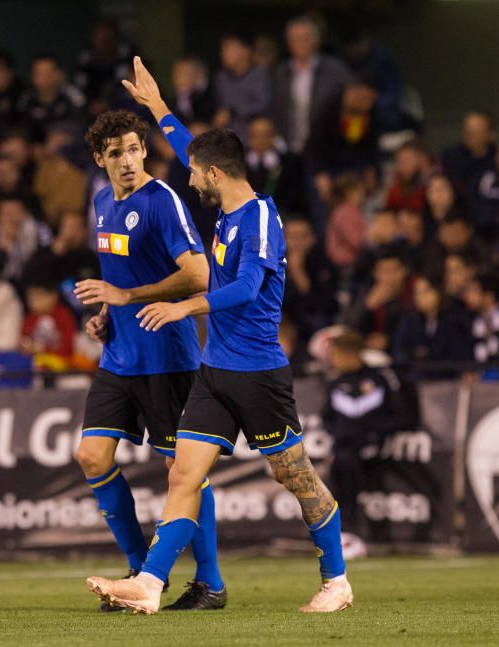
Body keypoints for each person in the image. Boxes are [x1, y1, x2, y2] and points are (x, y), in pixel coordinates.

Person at [87, 57, 352, 614]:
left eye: (193, 172)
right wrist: (156, 105)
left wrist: (186, 306)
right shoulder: (226, 205)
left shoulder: (256, 219)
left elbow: (250, 288)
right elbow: (188, 144)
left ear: (214, 176)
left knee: (295, 476)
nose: (186, 176)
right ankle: (150, 584)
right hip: (214, 371)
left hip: (257, 373)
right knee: (183, 473)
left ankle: (336, 579)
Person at [71, 108, 225, 612]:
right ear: (101, 159)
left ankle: (209, 582)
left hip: (168, 356)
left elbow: (200, 274)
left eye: (136, 149)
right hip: (119, 356)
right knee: (91, 456)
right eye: (116, 153)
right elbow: (115, 280)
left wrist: (126, 294)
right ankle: (140, 573)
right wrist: (104, 315)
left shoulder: (163, 202)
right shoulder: (99, 203)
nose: (129, 161)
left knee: (182, 472)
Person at [323, 329, 419, 541]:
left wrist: (376, 432)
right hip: (343, 446)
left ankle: (354, 526)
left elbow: (403, 415)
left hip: (373, 443)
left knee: (349, 464)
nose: (335, 360)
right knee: (338, 467)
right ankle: (343, 528)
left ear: (352, 353)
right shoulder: (335, 383)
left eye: (338, 354)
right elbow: (327, 417)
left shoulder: (380, 378)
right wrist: (337, 433)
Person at [271, 15, 352, 155]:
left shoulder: (335, 70)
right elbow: (275, 110)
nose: (300, 44)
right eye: (295, 39)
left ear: (315, 41)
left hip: (326, 150)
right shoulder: (281, 72)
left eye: (305, 39)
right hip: (290, 149)